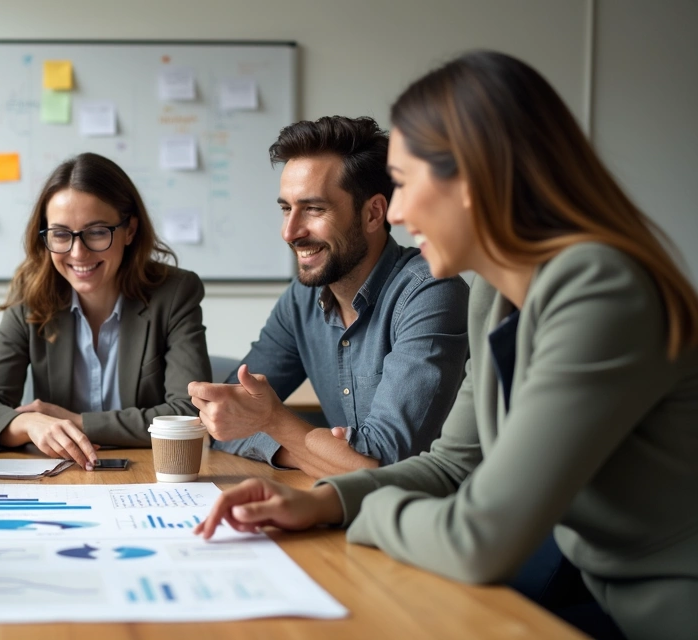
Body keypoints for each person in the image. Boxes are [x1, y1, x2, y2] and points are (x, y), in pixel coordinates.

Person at [195, 51, 698, 640]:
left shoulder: (601, 291)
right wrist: (323, 502)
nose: (399, 213)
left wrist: (358, 504)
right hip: (589, 596)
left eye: (404, 185)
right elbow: (453, 464)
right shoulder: (493, 295)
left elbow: (477, 539)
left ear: (476, 179)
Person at [189, 116, 470, 478]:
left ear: (373, 213)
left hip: (436, 518)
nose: (290, 232)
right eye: (286, 208)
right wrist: (315, 454)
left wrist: (273, 421)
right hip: (349, 509)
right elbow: (224, 421)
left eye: (314, 209)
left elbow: (386, 464)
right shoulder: (302, 301)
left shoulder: (431, 292)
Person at [0, 153, 211, 469]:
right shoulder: (31, 297)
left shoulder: (174, 293)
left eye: (96, 232)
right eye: (61, 234)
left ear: (130, 230)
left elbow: (189, 414)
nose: (78, 253)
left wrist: (78, 422)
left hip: (150, 474)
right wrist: (30, 424)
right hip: (64, 477)